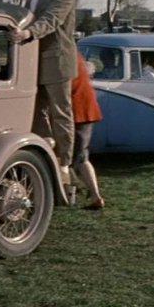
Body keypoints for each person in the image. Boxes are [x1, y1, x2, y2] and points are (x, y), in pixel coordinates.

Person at [9, 0, 77, 186]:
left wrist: (28, 33)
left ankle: (65, 162)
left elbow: (53, 18)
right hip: (34, 59)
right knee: (36, 111)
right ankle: (46, 150)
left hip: (56, 59)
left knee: (61, 112)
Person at [70, 53, 105, 210]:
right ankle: (90, 194)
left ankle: (91, 194)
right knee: (81, 156)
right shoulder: (75, 57)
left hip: (79, 113)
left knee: (78, 157)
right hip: (85, 111)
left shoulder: (68, 61)